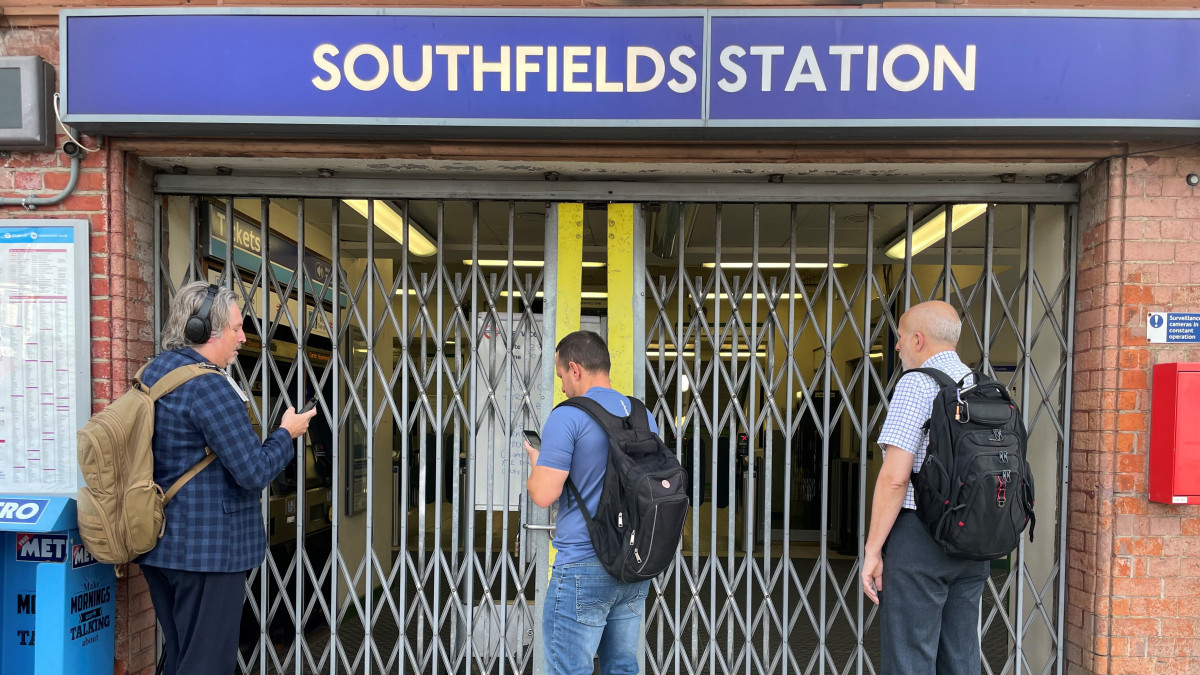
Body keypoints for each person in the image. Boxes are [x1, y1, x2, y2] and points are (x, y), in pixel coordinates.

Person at [136, 281, 317, 675]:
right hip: (207, 553)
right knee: (206, 665)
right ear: (204, 330)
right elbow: (253, 471)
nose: (243, 337)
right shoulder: (209, 385)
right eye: (235, 327)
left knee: (183, 658)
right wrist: (287, 433)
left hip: (160, 546)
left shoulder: (154, 373)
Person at [861, 300, 990, 674]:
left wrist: (873, 551)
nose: (897, 346)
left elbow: (895, 477)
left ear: (918, 339)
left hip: (922, 539)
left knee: (910, 658)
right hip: (974, 540)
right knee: (961, 655)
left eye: (900, 338)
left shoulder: (917, 385)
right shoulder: (982, 386)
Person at [524, 330, 658, 675]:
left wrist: (537, 463)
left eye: (561, 378)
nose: (563, 387)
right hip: (634, 564)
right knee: (623, 667)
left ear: (575, 368)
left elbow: (543, 494)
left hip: (583, 565)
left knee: (570, 669)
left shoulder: (568, 415)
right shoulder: (643, 415)